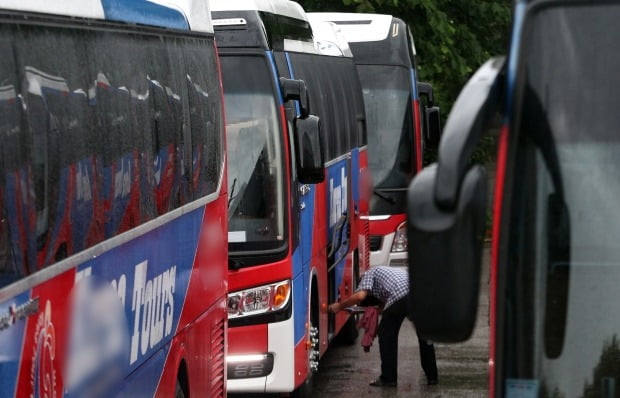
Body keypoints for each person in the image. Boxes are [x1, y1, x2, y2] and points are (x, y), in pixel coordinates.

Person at [328, 266, 438, 387]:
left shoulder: (369, 274)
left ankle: (388, 378)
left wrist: (339, 306)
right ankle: (432, 377)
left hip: (399, 295)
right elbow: (386, 304)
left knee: (386, 334)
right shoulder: (391, 273)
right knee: (425, 336)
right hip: (419, 295)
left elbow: (360, 296)